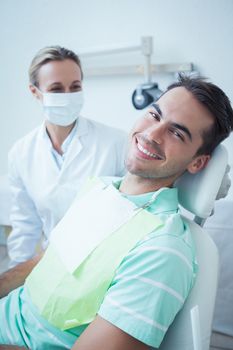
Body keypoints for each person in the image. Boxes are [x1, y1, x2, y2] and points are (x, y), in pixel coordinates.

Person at [0, 75, 232, 350]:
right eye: (154, 115)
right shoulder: (100, 189)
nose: (152, 134)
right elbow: (49, 259)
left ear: (197, 163)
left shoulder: (162, 250)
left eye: (176, 133)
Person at [7, 46, 127, 267]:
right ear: (35, 92)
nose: (68, 96)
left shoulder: (117, 143)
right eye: (56, 89)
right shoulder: (21, 153)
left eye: (75, 87)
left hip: (104, 262)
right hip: (52, 263)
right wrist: (16, 276)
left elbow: (131, 215)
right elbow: (25, 224)